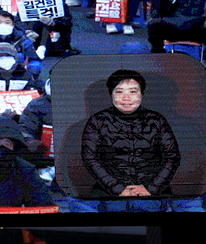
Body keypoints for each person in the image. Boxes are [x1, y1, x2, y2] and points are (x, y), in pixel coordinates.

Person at [75, 69, 187, 212]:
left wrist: (151, 188)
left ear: (142, 94)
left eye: (133, 92)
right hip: (108, 192)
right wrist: (117, 188)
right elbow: (90, 158)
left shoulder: (157, 120)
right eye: (119, 92)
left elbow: (172, 156)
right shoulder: (97, 121)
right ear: (111, 94)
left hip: (153, 192)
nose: (126, 98)